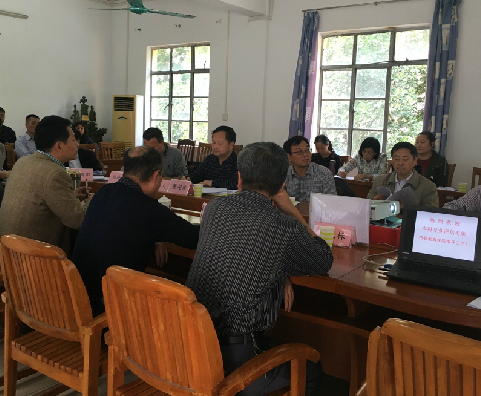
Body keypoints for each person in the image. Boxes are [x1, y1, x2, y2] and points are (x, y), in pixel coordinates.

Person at [186, 142, 333, 396]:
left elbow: (240, 252)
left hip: (192, 342)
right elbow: (322, 259)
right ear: (282, 185)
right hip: (234, 359)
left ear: (239, 178)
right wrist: (293, 212)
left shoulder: (215, 209)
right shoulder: (283, 226)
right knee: (310, 370)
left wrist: (282, 271)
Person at [72, 146, 200, 316]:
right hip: (111, 307)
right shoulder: (149, 209)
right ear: (156, 175)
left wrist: (156, 237)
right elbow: (195, 239)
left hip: (77, 297)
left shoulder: (103, 193)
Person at [0, 116, 89, 270]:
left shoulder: (24, 162)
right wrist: (93, 200)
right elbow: (78, 220)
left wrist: (71, 195)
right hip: (29, 266)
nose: (77, 144)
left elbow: (39, 197)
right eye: (74, 139)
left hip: (4, 257)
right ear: (59, 145)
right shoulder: (55, 173)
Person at [367, 142, 438, 207]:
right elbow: (367, 206)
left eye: (405, 159)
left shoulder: (428, 187)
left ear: (415, 161)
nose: (400, 163)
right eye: (397, 159)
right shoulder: (380, 181)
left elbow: (430, 213)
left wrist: (406, 208)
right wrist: (375, 203)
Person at [284, 136, 336, 202]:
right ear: (289, 156)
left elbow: (331, 202)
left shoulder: (324, 174)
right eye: (299, 151)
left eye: (307, 150)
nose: (305, 154)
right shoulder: (283, 174)